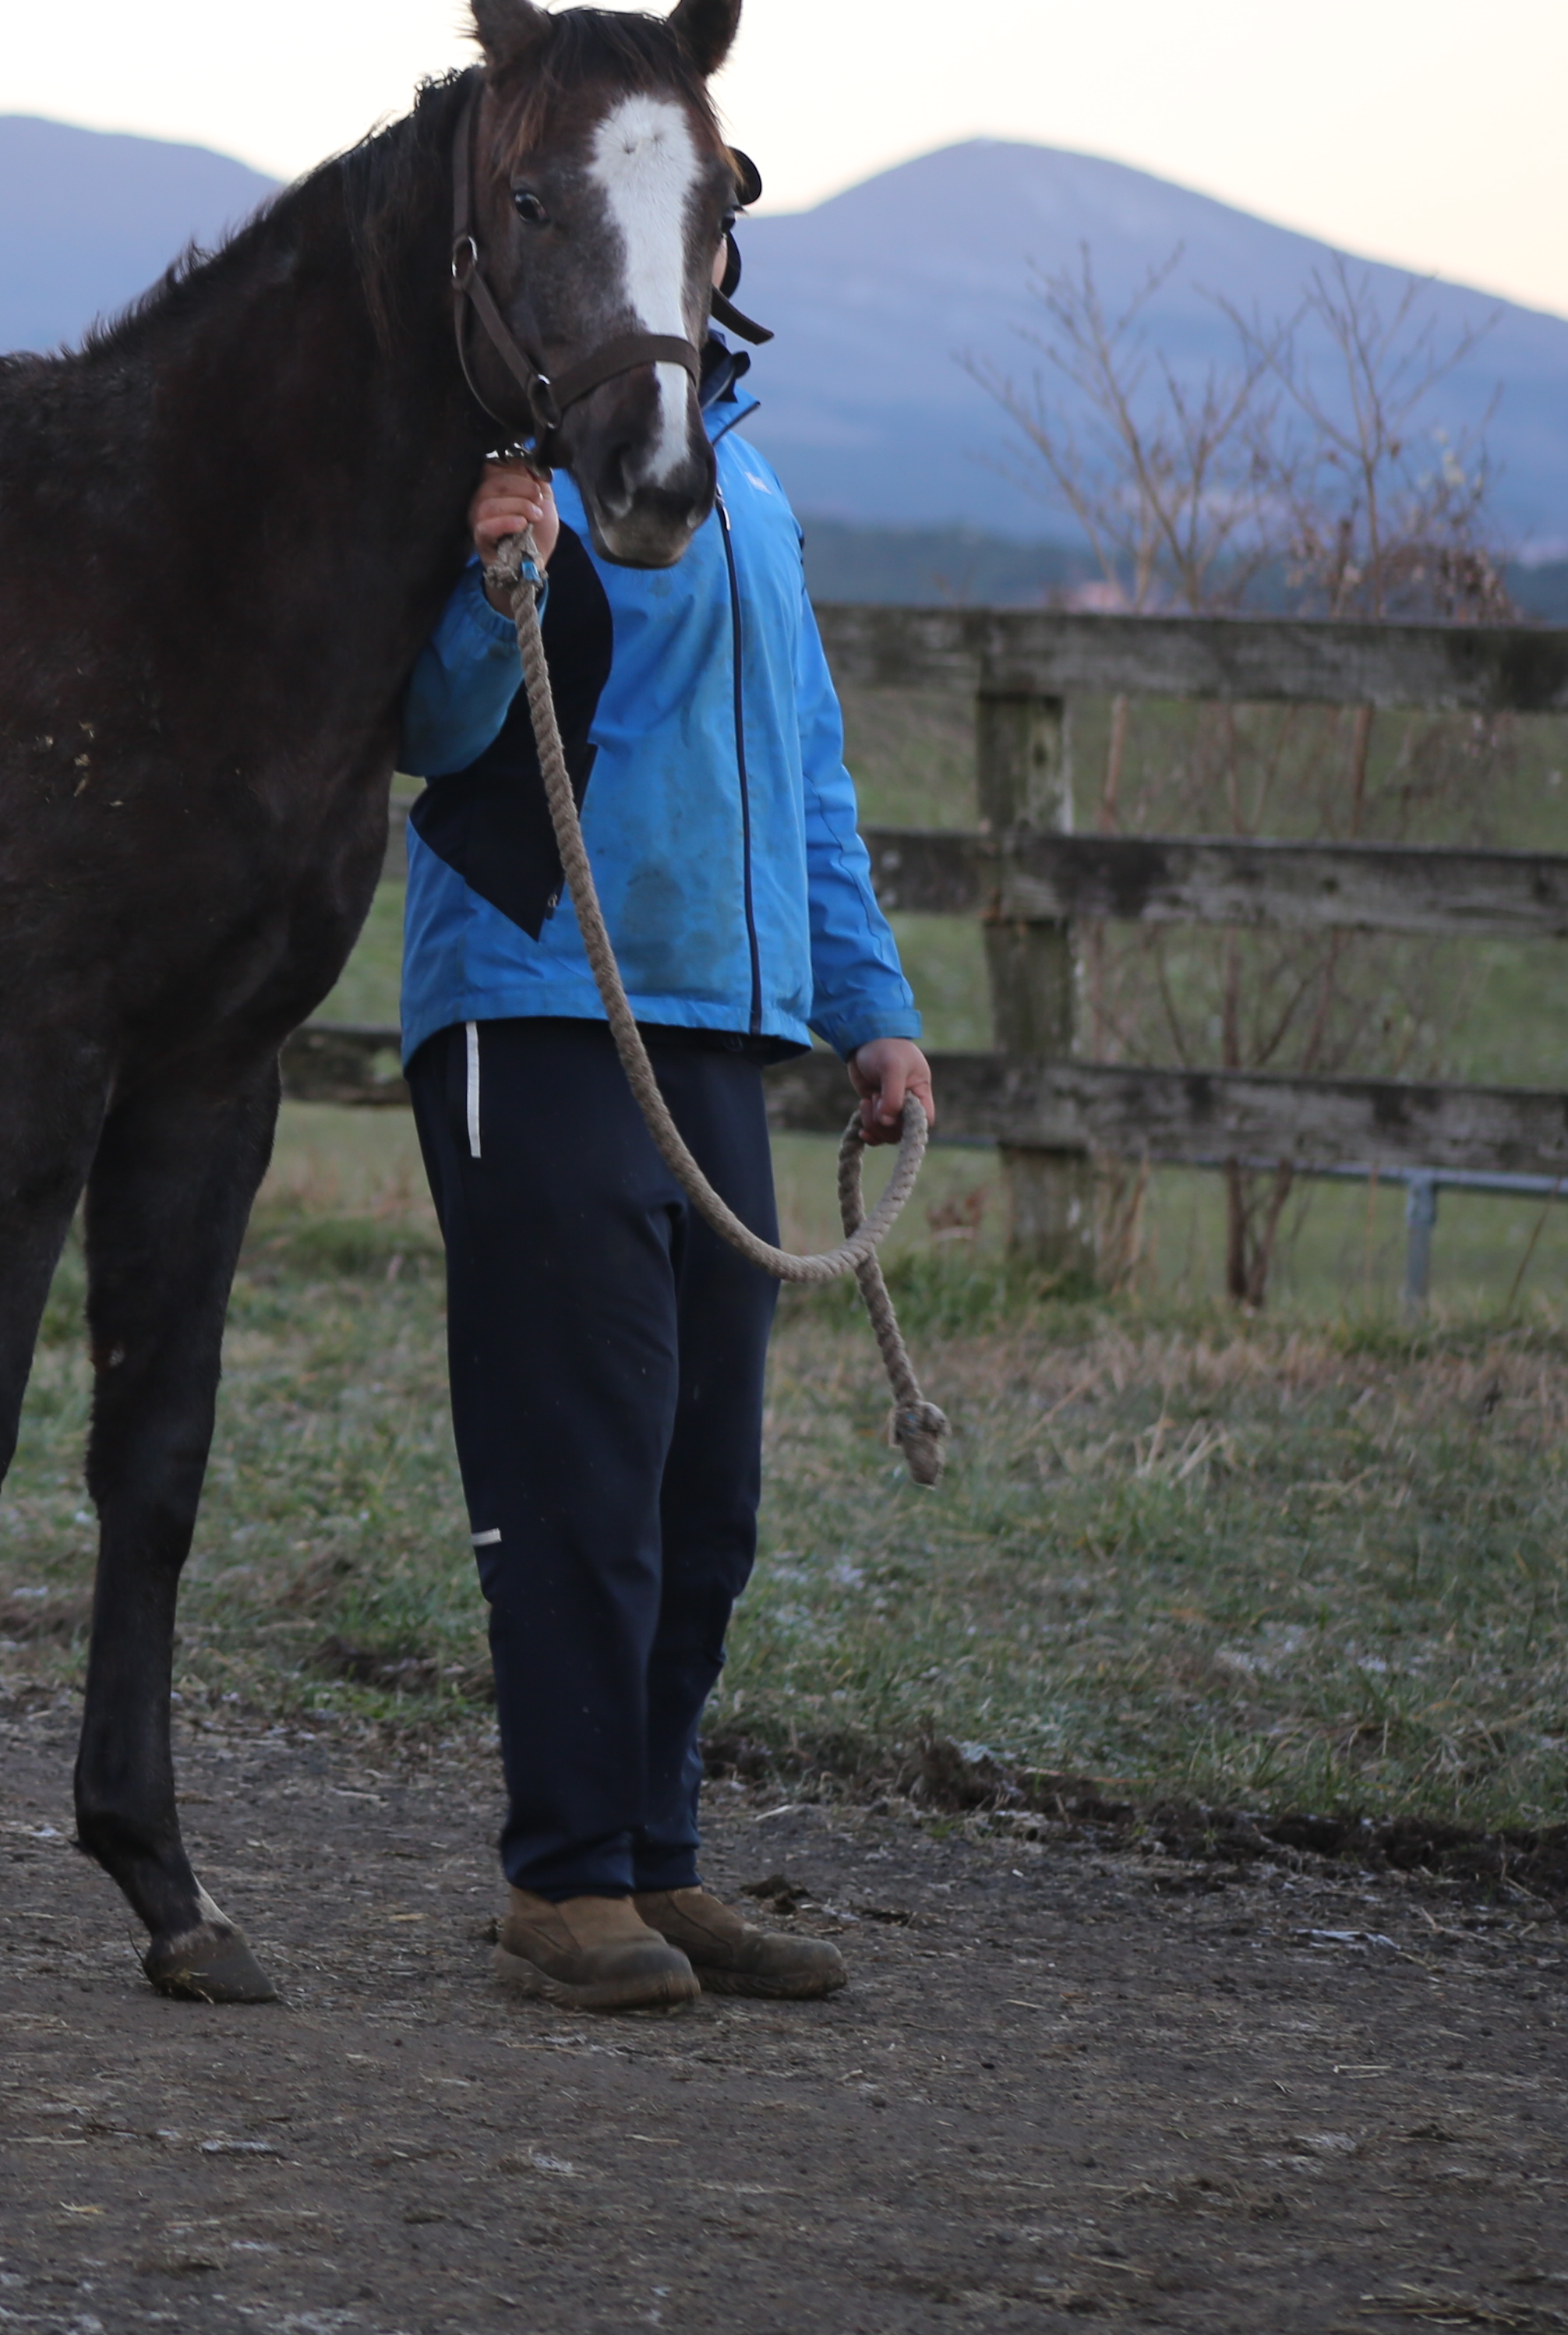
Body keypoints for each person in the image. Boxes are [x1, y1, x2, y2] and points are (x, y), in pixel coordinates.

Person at [395, 400, 933, 2015]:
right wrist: (508, 573)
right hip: (541, 996)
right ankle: (563, 1880)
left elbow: (807, 765)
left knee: (704, 1487)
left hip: (716, 1020)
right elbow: (428, 718)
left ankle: (654, 1852)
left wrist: (871, 1002)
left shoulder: (750, 474)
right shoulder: (506, 470)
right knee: (585, 1469)